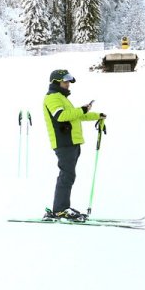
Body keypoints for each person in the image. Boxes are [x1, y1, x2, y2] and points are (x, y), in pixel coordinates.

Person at [42, 69, 105, 221]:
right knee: (67, 175)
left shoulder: (62, 98)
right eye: (65, 82)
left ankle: (62, 207)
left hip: (72, 142)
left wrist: (96, 116)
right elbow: (61, 116)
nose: (68, 85)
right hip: (64, 142)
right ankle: (60, 209)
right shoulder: (52, 98)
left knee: (68, 175)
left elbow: (75, 117)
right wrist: (82, 109)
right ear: (56, 82)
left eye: (69, 82)